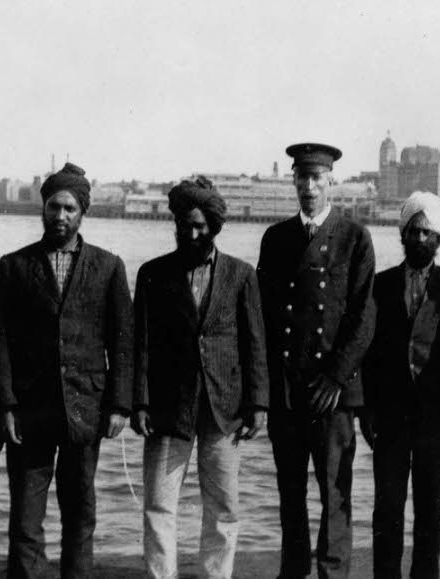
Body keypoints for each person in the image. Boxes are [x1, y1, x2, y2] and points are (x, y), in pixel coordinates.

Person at [0, 162, 134, 578]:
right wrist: (6, 406)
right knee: (26, 517)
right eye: (54, 207)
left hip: (85, 409)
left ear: (82, 212)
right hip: (29, 412)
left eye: (70, 208)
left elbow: (123, 341)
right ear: (44, 209)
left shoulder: (108, 267)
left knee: (80, 512)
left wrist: (120, 404)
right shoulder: (14, 267)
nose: (61, 216)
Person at [132, 176, 268, 579]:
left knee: (224, 508)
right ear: (174, 224)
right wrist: (139, 401)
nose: (192, 234)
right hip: (166, 408)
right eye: (184, 225)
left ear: (214, 225)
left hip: (223, 407)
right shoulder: (152, 274)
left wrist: (259, 403)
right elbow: (140, 344)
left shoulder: (241, 275)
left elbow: (254, 342)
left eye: (200, 226)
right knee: (159, 504)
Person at [257, 142, 376, 579]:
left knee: (335, 492)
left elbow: (364, 319)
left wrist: (336, 377)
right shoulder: (276, 238)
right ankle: (292, 570)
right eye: (302, 178)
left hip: (334, 394)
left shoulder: (354, 238)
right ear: (293, 181)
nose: (309, 187)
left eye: (317, 179)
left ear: (332, 183)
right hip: (288, 389)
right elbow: (265, 317)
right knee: (289, 491)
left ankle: (332, 573)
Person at [361, 191, 440, 579]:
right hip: (390, 415)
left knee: (431, 505)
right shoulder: (379, 286)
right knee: (387, 506)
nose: (421, 239)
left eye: (428, 233)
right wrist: (367, 409)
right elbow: (369, 355)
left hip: (436, 416)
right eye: (414, 232)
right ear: (402, 235)